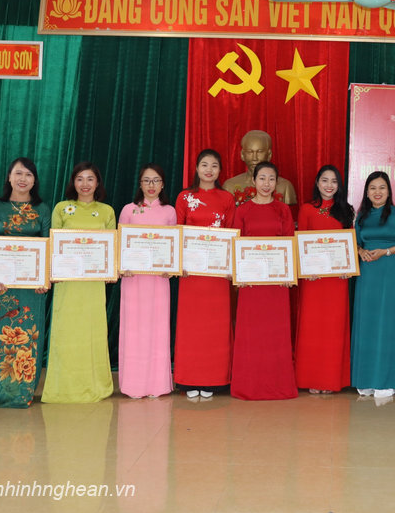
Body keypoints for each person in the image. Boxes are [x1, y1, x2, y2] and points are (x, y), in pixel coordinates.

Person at [0, 157, 51, 409]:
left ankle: (22, 393)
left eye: (28, 174)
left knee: (28, 338)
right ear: (9, 177)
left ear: (34, 180)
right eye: (18, 173)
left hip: (32, 289)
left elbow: (47, 247)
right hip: (3, 287)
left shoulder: (42, 209)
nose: (23, 179)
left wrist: (45, 279)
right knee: (1, 337)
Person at [41, 162, 116, 403]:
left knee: (91, 332)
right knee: (66, 332)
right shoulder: (62, 208)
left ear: (98, 182)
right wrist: (53, 270)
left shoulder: (106, 211)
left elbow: (112, 248)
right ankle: (62, 386)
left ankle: (94, 384)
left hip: (93, 284)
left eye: (90, 179)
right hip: (68, 282)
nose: (85, 184)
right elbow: (53, 245)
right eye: (80, 179)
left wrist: (111, 269)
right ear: (73, 182)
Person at [231, 162, 297, 400]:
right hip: (251, 285)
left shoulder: (283, 210)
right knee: (252, 334)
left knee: (275, 334)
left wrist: (289, 274)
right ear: (253, 181)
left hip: (276, 285)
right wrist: (239, 275)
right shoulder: (243, 210)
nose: (266, 184)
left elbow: (289, 242)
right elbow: (236, 244)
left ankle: (278, 385)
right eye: (262, 178)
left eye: (271, 179)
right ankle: (249, 386)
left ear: (277, 183)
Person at [174, 149, 235, 399]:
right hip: (191, 273)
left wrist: (230, 267)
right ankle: (189, 378)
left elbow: (232, 234)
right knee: (191, 327)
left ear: (220, 171)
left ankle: (213, 378)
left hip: (217, 275)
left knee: (215, 327)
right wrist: (179, 263)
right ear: (197, 168)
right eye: (204, 165)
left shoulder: (227, 198)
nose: (209, 170)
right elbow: (178, 232)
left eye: (214, 166)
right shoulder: (185, 197)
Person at [118, 164, 177, 399]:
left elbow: (173, 246)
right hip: (133, 280)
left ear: (162, 185)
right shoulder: (128, 210)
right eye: (146, 180)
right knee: (134, 330)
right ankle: (132, 384)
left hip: (158, 282)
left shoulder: (169, 211)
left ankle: (157, 385)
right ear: (140, 184)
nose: (151, 185)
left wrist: (171, 267)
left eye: (156, 180)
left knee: (157, 329)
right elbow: (120, 244)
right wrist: (122, 266)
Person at [351, 171, 395, 399]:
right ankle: (365, 378)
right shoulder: (362, 216)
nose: (377, 192)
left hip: (388, 270)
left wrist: (385, 251)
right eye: (373, 188)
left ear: (389, 191)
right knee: (366, 322)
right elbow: (354, 242)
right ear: (367, 192)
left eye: (382, 188)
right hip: (366, 273)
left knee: (386, 323)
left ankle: (386, 380)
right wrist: (360, 251)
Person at [295, 165, 354, 394]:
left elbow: (349, 243)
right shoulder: (307, 209)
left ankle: (329, 379)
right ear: (317, 183)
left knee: (333, 328)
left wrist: (348, 266)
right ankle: (311, 377)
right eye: (325, 180)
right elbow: (300, 242)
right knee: (312, 327)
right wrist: (306, 267)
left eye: (334, 181)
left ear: (339, 186)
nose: (329, 185)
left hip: (337, 280)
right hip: (313, 278)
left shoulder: (346, 210)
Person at [221, 130, 297, 206]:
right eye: (250, 152)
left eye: (260, 152)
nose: (254, 158)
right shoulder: (229, 186)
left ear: (269, 154)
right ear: (242, 155)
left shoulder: (285, 186)